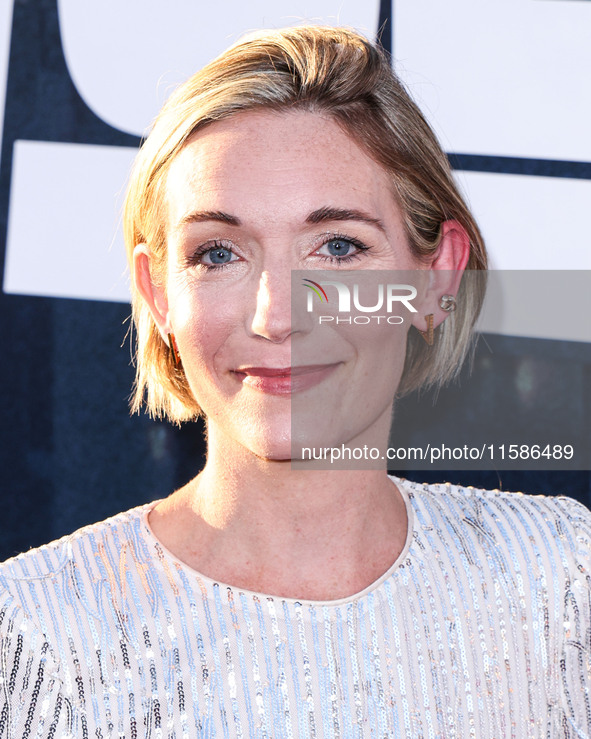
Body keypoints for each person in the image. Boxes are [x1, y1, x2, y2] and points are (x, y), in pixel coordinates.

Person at [0, 25, 589, 738]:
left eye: (338, 246)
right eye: (217, 253)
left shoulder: (559, 581)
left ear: (436, 275)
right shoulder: (38, 634)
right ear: (157, 295)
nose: (276, 314)